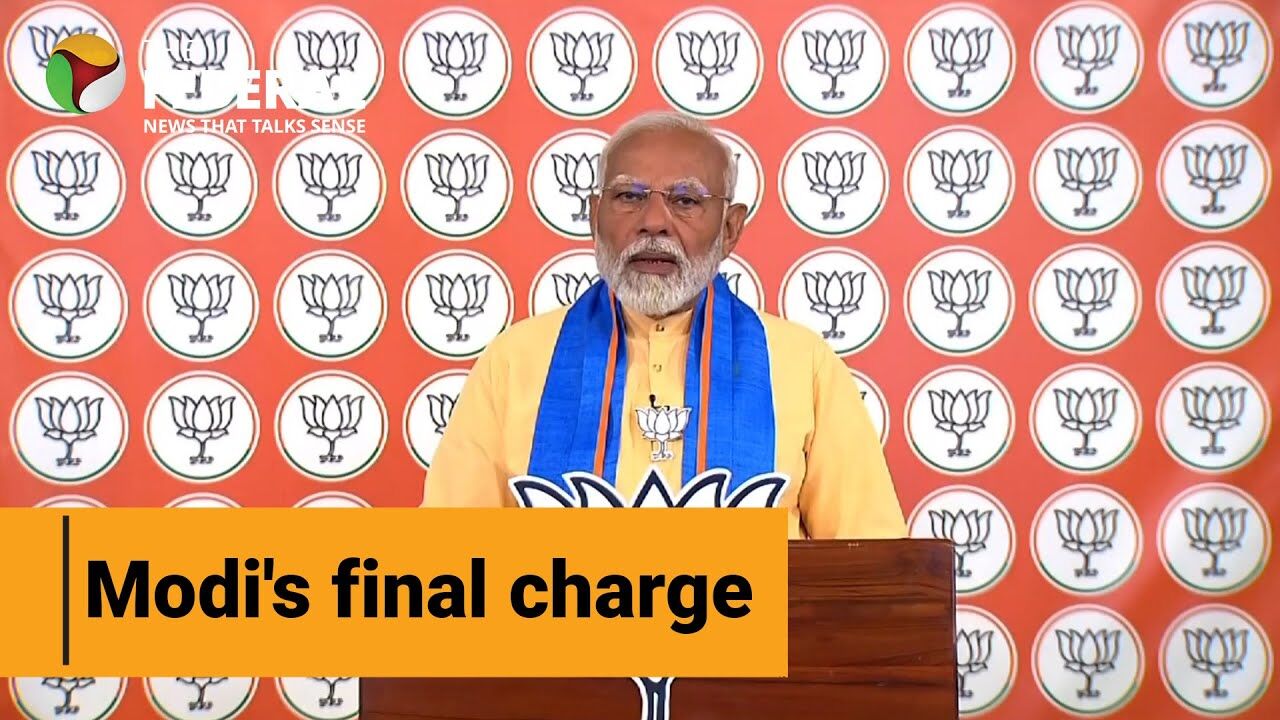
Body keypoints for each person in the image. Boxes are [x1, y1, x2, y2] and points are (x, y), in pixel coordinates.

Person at [421, 109, 906, 540]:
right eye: (628, 196)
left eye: (686, 200)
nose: (653, 221)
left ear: (730, 228)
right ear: (593, 216)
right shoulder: (515, 360)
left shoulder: (802, 365)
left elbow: (872, 566)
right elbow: (446, 560)